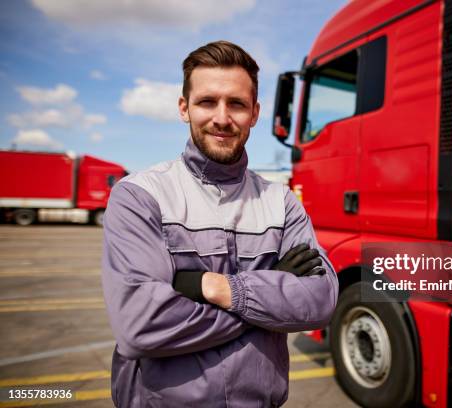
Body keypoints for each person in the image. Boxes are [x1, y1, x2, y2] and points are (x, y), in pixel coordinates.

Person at [101, 40, 338, 407]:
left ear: (255, 113)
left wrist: (216, 287)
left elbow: (320, 300)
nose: (222, 118)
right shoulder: (140, 195)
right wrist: (268, 302)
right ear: (184, 108)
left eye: (237, 104)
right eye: (207, 101)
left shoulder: (281, 201)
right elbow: (140, 326)